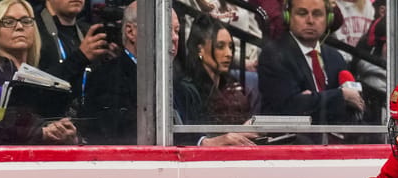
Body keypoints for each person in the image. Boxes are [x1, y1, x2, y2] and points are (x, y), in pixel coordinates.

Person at [0, 0, 77, 145]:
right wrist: (40, 133)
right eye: (8, 22)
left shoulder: (40, 77)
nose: (19, 27)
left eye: (26, 20)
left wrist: (69, 134)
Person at [78, 2, 180, 144]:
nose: (174, 38)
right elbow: (118, 138)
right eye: (166, 29)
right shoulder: (106, 80)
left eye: (177, 31)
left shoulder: (180, 83)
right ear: (131, 32)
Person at [258, 0, 365, 132]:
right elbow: (289, 108)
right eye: (302, 13)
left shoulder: (335, 57)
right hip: (289, 144)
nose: (310, 21)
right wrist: (340, 96)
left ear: (328, 19)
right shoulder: (273, 55)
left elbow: (348, 112)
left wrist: (311, 100)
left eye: (317, 14)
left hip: (331, 144)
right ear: (287, 16)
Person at [174, 14, 256, 146]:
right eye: (220, 46)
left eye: (230, 46)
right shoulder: (187, 89)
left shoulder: (233, 85)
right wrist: (238, 133)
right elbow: (192, 138)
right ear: (200, 49)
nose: (228, 53)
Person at [35, 0, 117, 99]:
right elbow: (35, 88)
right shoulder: (31, 30)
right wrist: (81, 57)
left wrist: (114, 62)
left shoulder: (90, 32)